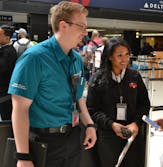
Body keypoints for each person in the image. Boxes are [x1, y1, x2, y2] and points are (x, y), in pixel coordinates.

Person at [8, 1, 96, 167]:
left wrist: (89, 124)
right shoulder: (34, 58)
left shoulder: (76, 59)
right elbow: (20, 109)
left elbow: (79, 99)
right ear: (63, 26)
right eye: (82, 27)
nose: (85, 33)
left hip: (72, 138)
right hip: (44, 142)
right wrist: (22, 156)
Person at [87, 37, 150, 167]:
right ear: (110, 57)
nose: (125, 59)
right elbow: (92, 109)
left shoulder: (134, 76)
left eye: (127, 54)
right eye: (119, 55)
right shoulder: (98, 79)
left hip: (132, 134)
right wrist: (111, 124)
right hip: (108, 136)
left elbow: (144, 104)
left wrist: (136, 123)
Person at [0, 25, 17, 120]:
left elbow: (2, 69)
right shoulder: (3, 49)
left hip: (5, 93)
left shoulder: (10, 52)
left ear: (7, 37)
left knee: (6, 119)